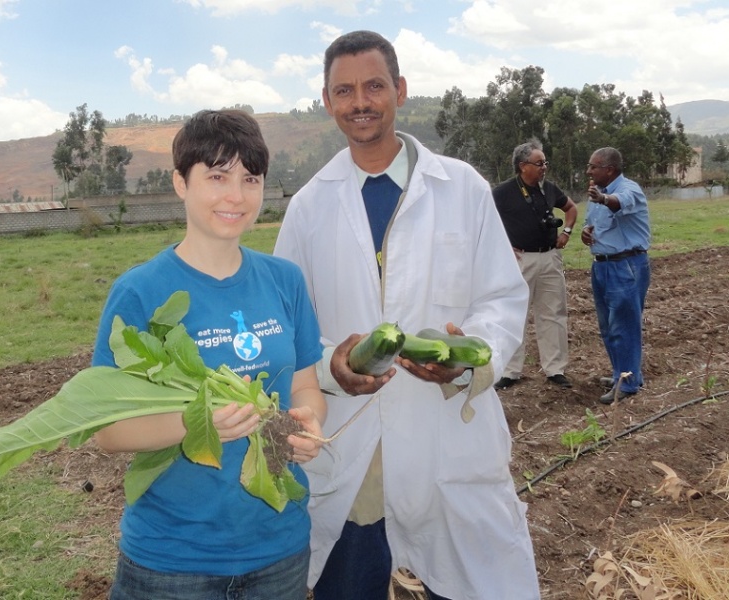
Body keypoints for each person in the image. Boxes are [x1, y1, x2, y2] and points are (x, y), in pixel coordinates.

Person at [274, 30, 540, 600]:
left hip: (445, 433)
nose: (360, 102)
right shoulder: (308, 207)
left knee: (474, 581)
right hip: (352, 441)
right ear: (327, 102)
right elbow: (287, 322)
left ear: (399, 90)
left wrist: (465, 357)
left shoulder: (461, 188)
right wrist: (329, 365)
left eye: (374, 86)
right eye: (344, 91)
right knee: (349, 582)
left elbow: (503, 297)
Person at [91, 109, 327, 600]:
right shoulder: (140, 291)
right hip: (173, 561)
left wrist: (307, 425)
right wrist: (200, 425)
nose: (236, 196)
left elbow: (304, 383)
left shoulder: (285, 280)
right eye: (217, 176)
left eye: (250, 179)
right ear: (181, 182)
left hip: (279, 548)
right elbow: (107, 431)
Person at [492, 139, 578, 390]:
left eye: (545, 163)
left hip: (550, 257)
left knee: (553, 313)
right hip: (520, 260)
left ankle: (555, 369)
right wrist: (503, 246)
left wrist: (567, 232)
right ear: (522, 166)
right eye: (539, 163)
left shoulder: (549, 189)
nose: (544, 167)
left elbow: (570, 208)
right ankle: (510, 370)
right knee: (514, 315)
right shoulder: (503, 192)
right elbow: (483, 220)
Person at [581, 146, 651, 404]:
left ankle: (628, 383)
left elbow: (619, 203)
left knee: (624, 326)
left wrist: (602, 199)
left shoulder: (628, 189)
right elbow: (592, 224)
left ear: (609, 169)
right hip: (602, 265)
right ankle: (621, 374)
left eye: (592, 166)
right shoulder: (595, 195)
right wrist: (586, 234)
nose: (588, 171)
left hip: (626, 266)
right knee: (608, 327)